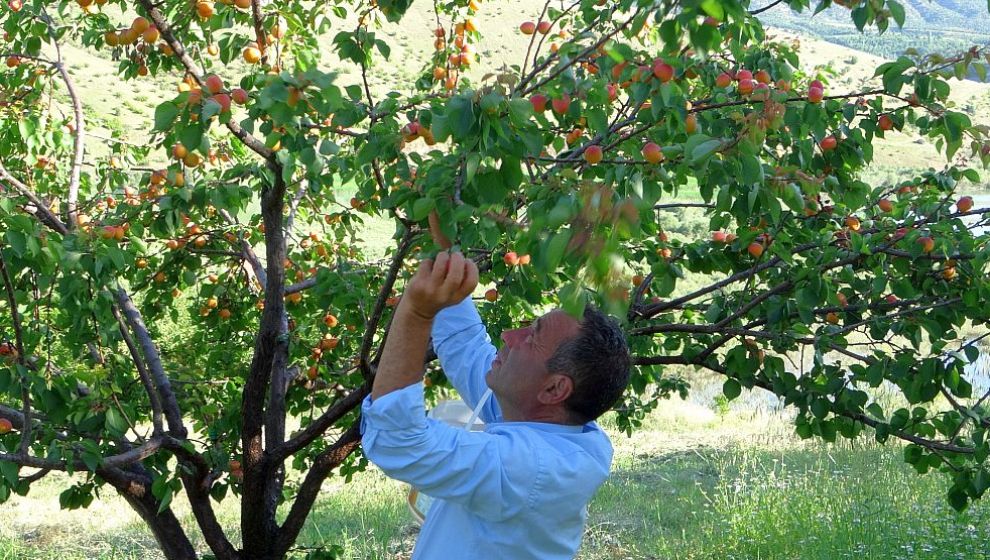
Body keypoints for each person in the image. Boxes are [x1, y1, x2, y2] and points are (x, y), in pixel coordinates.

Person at [360, 250, 631, 559]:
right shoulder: (553, 423)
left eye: (531, 338)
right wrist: (448, 258)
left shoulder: (531, 467)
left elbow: (399, 442)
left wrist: (417, 313)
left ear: (555, 388)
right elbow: (467, 349)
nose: (509, 335)